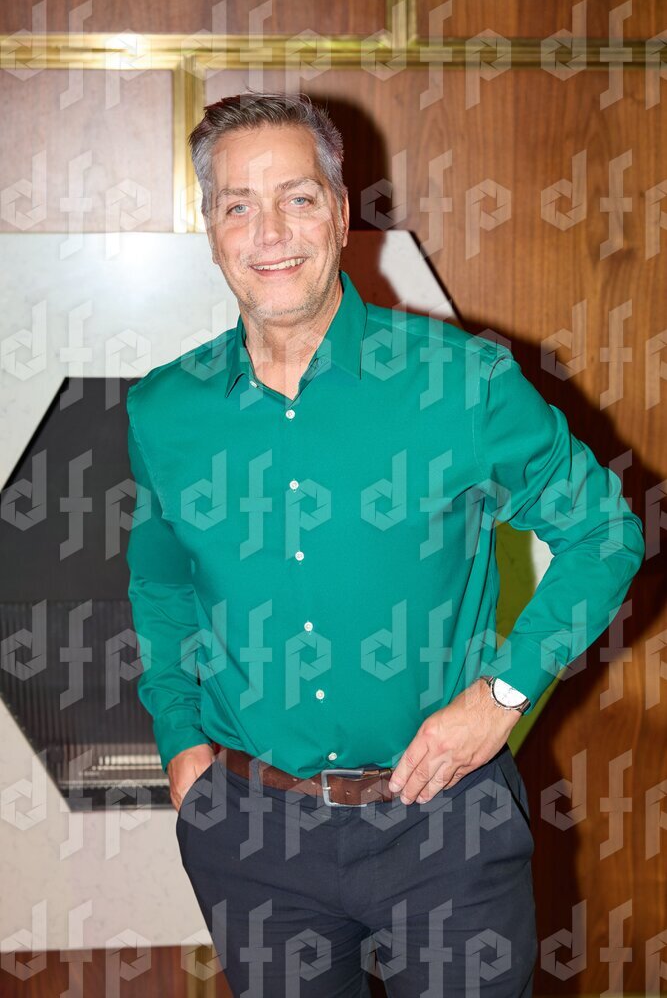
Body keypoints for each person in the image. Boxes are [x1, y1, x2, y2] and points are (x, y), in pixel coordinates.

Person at [125, 91, 645, 996]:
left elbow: (604, 530)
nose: (268, 233)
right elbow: (162, 584)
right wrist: (180, 741)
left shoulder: (463, 381)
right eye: (237, 205)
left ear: (338, 210)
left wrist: (504, 692)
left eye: (296, 197)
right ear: (209, 229)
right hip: (250, 835)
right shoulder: (163, 409)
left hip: (444, 829)